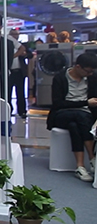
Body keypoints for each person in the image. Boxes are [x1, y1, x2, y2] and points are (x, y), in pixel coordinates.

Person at [47, 52, 97, 181]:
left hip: (83, 115)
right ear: (78, 67)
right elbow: (58, 103)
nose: (90, 74)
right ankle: (93, 158)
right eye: (88, 71)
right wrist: (85, 103)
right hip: (62, 114)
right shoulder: (60, 78)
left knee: (74, 125)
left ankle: (80, 167)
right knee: (80, 116)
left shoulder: (91, 78)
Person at [0, 27, 28, 119]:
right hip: (9, 71)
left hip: (19, 71)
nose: (15, 36)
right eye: (13, 34)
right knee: (7, 92)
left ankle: (22, 111)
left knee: (20, 92)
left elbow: (25, 50)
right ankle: (8, 111)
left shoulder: (15, 43)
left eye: (16, 34)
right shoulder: (5, 41)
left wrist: (13, 56)